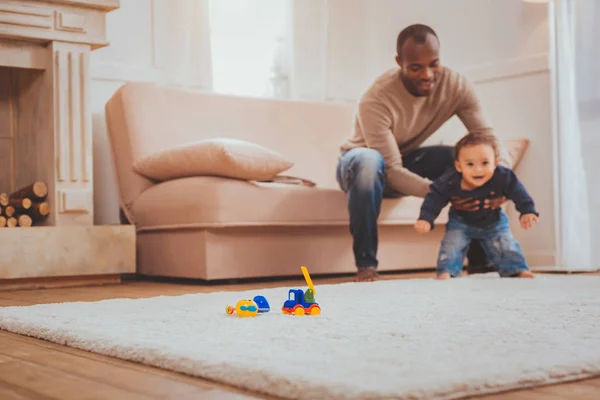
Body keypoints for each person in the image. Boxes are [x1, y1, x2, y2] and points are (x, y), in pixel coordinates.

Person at [336, 23, 514, 282]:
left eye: (434, 64)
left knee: (467, 161)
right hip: (359, 164)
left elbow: (487, 137)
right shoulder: (376, 98)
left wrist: (502, 179)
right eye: (416, 67)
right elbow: (392, 170)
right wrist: (444, 193)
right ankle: (366, 266)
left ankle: (481, 263)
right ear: (400, 63)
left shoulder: (455, 86)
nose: (428, 74)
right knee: (369, 161)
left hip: (406, 157)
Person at [414, 132, 538, 279]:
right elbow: (434, 198)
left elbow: (518, 192)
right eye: (470, 164)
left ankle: (517, 269)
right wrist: (426, 218)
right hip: (460, 222)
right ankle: (447, 272)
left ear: (495, 162)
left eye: (485, 163)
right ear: (458, 166)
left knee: (506, 245)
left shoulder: (503, 176)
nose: (478, 170)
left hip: (494, 221)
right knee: (451, 245)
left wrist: (527, 211)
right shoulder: (449, 180)